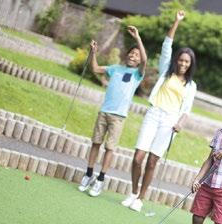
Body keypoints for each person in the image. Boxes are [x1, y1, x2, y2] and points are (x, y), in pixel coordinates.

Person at [121, 10, 197, 212]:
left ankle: (141, 199)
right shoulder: (166, 71)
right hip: (154, 114)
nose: (182, 63)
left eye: (186, 62)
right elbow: (167, 46)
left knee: (153, 161)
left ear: (190, 65)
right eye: (181, 60)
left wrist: (180, 123)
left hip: (170, 122)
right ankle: (133, 192)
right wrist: (176, 22)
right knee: (138, 157)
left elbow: (186, 111)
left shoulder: (191, 86)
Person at [78, 26, 147, 196]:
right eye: (131, 53)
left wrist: (138, 38)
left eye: (136, 55)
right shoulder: (115, 68)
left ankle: (100, 179)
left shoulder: (138, 74)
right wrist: (93, 52)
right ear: (127, 55)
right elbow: (95, 69)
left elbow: (145, 60)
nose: (133, 56)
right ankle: (88, 174)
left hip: (118, 117)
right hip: (104, 111)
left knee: (110, 148)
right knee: (96, 143)